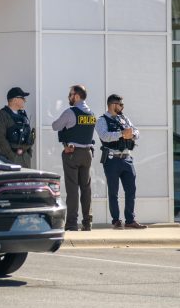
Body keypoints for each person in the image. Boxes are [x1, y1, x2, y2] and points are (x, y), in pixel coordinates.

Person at [96, 94, 147, 230]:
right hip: (112, 159)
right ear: (113, 105)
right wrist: (122, 134)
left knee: (131, 190)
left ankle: (130, 220)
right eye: (120, 104)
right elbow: (105, 136)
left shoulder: (124, 118)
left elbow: (136, 131)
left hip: (127, 158)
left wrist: (133, 134)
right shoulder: (102, 120)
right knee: (113, 192)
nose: (122, 107)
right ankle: (116, 220)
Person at [52, 85, 96, 231]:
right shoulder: (91, 113)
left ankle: (71, 223)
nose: (68, 97)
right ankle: (87, 222)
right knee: (86, 188)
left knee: (72, 189)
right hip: (88, 153)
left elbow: (55, 126)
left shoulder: (70, 112)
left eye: (70, 94)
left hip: (73, 153)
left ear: (76, 96)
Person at [0, 87, 35, 168]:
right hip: (10, 159)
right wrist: (11, 155)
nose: (25, 101)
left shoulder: (23, 115)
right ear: (15, 100)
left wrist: (28, 153)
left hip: (25, 159)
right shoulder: (2, 116)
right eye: (22, 98)